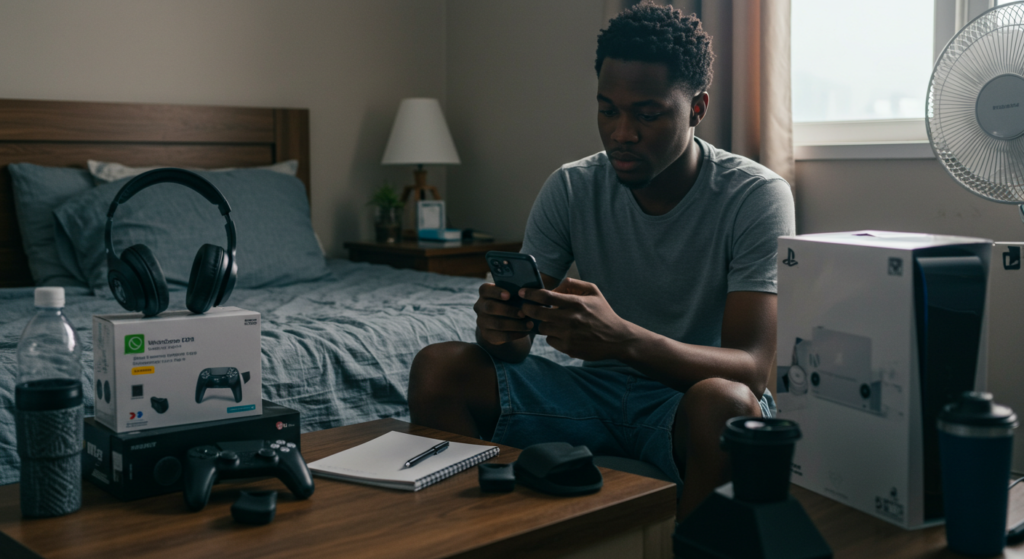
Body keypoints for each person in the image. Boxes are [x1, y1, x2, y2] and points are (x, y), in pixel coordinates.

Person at [407, 1, 795, 522]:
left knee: (726, 406)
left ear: (697, 109)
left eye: (647, 113)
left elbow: (752, 369)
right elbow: (515, 349)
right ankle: (479, 538)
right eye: (607, 109)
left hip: (687, 402)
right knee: (438, 369)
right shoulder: (572, 186)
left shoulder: (756, 195)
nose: (621, 132)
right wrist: (499, 326)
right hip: (593, 393)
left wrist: (624, 340)